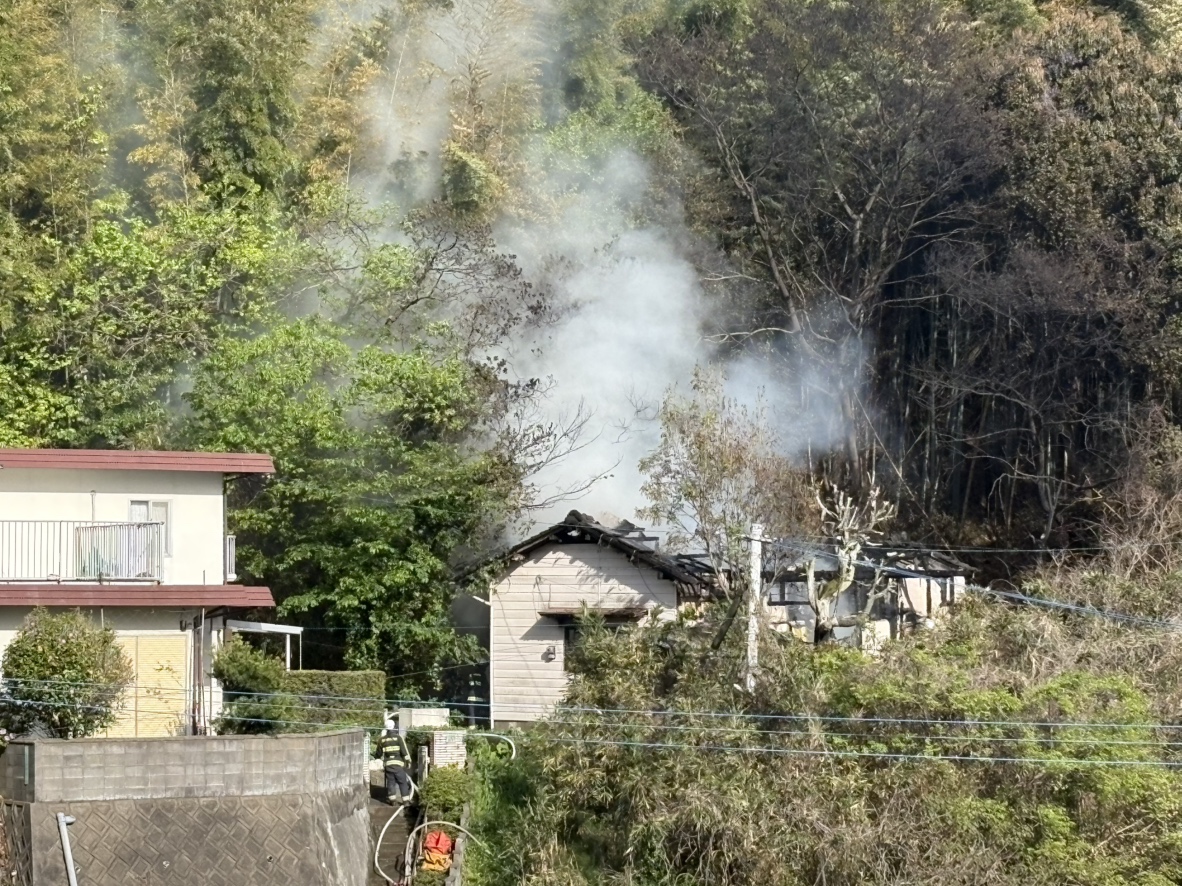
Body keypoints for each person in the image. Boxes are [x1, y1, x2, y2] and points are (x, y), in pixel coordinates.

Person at [375, 719, 413, 805]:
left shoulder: (382, 740)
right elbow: (404, 751)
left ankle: (392, 801)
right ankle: (406, 801)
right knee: (402, 782)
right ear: (394, 727)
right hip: (398, 764)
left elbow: (378, 753)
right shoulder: (398, 738)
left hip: (388, 764)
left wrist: (378, 758)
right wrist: (408, 761)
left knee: (391, 782)